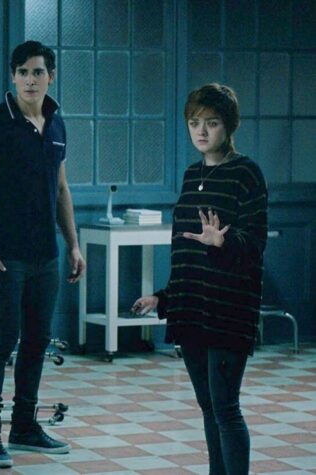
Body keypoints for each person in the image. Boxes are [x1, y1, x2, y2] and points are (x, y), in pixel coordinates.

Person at [133, 84, 266, 475]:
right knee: (208, 407)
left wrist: (223, 242)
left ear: (229, 125)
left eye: (212, 122)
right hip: (192, 307)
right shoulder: (192, 174)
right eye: (194, 123)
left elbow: (255, 242)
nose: (202, 131)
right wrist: (164, 296)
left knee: (226, 408)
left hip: (228, 309)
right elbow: (186, 250)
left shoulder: (246, 173)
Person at [0, 40, 85, 468]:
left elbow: (61, 189)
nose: (30, 80)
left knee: (36, 342)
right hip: (4, 255)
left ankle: (25, 426)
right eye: (23, 72)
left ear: (51, 76)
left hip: (45, 255)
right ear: (13, 77)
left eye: (38, 72)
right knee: (0, 344)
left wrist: (73, 244)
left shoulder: (57, 125)